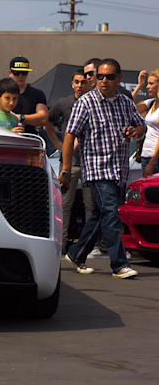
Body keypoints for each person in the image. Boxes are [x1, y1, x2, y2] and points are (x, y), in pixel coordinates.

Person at [60, 58, 146, 279]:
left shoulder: (126, 103)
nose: (103, 81)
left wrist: (137, 131)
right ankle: (119, 264)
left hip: (119, 170)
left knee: (100, 214)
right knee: (111, 213)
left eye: (109, 76)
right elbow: (70, 135)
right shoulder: (86, 102)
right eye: (99, 76)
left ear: (118, 79)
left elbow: (141, 124)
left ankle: (76, 252)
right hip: (97, 170)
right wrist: (66, 170)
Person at [45, 69, 94, 250]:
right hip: (69, 163)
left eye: (83, 82)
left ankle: (89, 245)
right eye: (76, 82)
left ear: (89, 83)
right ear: (72, 84)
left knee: (91, 205)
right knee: (64, 204)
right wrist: (57, 142)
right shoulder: (64, 103)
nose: (80, 85)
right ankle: (62, 244)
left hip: (90, 164)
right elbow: (46, 120)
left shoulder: (95, 103)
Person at [0, 56, 49, 134]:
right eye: (17, 73)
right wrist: (30, 119)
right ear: (10, 73)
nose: (20, 76)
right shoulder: (1, 92)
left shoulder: (37, 94)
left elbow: (43, 118)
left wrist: (20, 117)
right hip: (7, 137)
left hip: (30, 138)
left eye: (24, 73)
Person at [132, 69, 159, 176]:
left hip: (156, 158)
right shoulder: (151, 102)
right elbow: (129, 106)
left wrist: (152, 163)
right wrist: (139, 85)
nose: (147, 87)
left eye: (151, 84)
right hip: (145, 155)